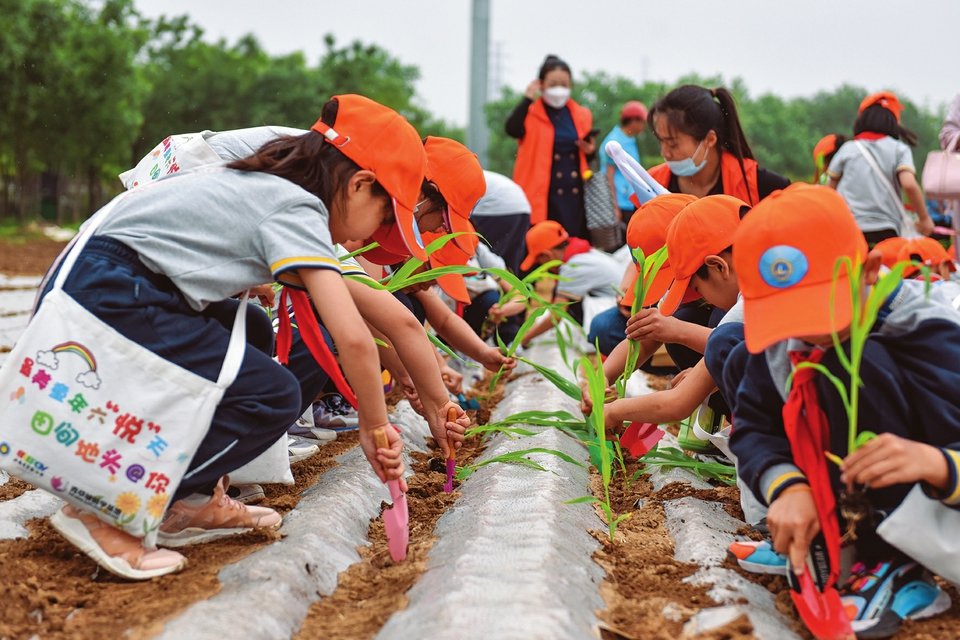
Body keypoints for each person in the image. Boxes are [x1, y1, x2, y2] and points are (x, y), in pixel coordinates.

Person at [38, 95, 421, 580]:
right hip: (111, 291)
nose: (372, 239)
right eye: (384, 219)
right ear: (362, 184)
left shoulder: (272, 187)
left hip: (94, 280)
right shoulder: (298, 207)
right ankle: (105, 506)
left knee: (254, 331)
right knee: (270, 393)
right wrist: (374, 425)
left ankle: (186, 501)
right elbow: (356, 338)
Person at [726, 184, 959, 634]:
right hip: (851, 491)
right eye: (787, 318)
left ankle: (896, 565)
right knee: (738, 354)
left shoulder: (929, 332)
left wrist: (935, 463)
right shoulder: (786, 340)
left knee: (853, 362)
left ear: (870, 271)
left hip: (940, 512)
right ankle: (827, 537)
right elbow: (754, 427)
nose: (805, 336)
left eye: (817, 315)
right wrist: (788, 486)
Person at [646, 85, 790, 204]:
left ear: (709, 139)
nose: (664, 153)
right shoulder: (649, 185)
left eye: (673, 144)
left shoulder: (762, 186)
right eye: (661, 141)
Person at [506, 54, 595, 241]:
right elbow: (512, 129)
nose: (559, 89)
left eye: (564, 84)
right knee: (544, 246)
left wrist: (590, 151)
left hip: (574, 194)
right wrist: (527, 98)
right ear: (541, 84)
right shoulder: (530, 113)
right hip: (543, 194)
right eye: (553, 83)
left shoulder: (581, 114)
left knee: (573, 246)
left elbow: (587, 159)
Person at [827, 91, 935, 243]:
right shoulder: (899, 149)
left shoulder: (848, 149)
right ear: (893, 122)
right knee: (886, 266)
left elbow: (829, 192)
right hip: (887, 230)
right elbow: (909, 185)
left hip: (850, 228)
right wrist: (924, 219)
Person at [496, 221, 622, 346]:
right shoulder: (581, 252)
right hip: (614, 305)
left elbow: (557, 315)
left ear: (547, 255)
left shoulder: (573, 267)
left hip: (613, 313)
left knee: (571, 306)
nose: (542, 266)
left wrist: (524, 339)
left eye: (539, 260)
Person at [470, 170, 532, 275]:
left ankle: (488, 288)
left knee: (484, 257)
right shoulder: (473, 170)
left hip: (497, 206)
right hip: (522, 206)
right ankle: (514, 288)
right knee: (511, 260)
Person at [599, 101, 648, 227]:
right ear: (633, 121)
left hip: (631, 201)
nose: (644, 126)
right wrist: (614, 207)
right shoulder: (615, 141)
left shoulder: (629, 139)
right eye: (642, 121)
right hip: (620, 203)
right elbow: (608, 175)